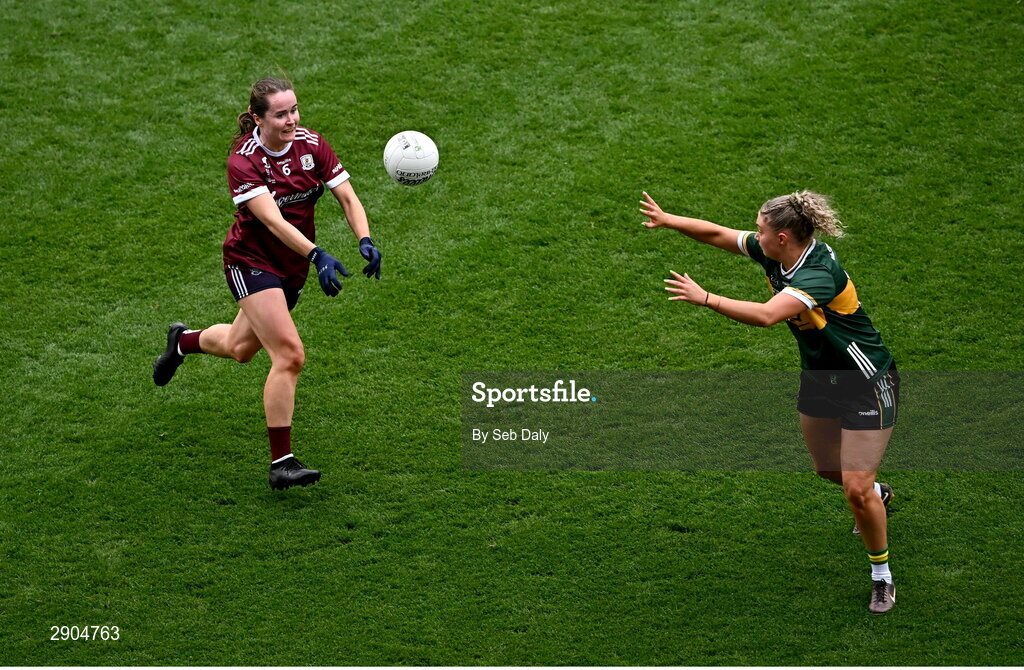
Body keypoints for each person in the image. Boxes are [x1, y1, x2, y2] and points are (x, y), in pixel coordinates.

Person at [641, 190, 899, 614]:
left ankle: (882, 576)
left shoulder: (818, 274)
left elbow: (766, 315)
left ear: (782, 236)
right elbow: (720, 235)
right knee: (826, 469)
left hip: (866, 382)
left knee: (853, 487)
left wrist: (706, 298)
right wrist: (670, 220)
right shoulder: (778, 254)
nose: (753, 236)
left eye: (760, 230)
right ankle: (876, 496)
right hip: (820, 379)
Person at [152, 77, 382, 491]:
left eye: (294, 110)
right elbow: (272, 220)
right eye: (281, 114)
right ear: (258, 118)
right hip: (251, 261)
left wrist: (364, 238)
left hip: (290, 268)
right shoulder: (244, 160)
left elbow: (347, 197)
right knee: (290, 355)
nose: (292, 120)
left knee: (240, 349)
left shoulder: (313, 145)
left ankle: (182, 341)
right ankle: (282, 463)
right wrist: (317, 254)